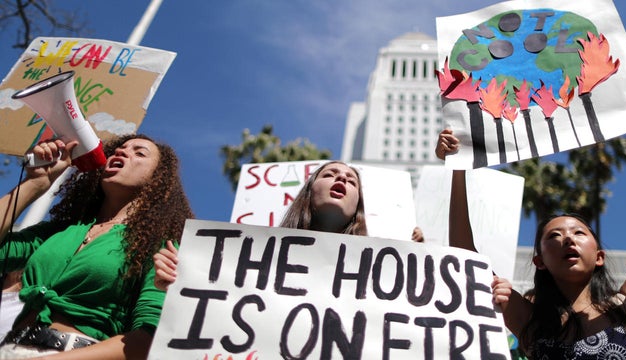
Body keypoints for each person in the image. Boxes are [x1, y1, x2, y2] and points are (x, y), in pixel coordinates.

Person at [436, 128, 626, 359]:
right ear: (539, 260)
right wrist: (458, 166)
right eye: (554, 236)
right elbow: (465, 256)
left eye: (579, 233)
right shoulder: (532, 322)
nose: (568, 239)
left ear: (600, 256)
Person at [0, 134, 193, 359]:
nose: (121, 152)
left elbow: (148, 339)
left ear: (158, 180)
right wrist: (35, 183)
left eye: (139, 153)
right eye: (118, 149)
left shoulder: (159, 247)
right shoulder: (58, 232)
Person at [154, 160, 368, 290]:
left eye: (351, 181)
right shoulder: (253, 258)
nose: (341, 178)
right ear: (309, 193)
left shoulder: (378, 273)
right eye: (329, 174)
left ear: (358, 203)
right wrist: (182, 282)